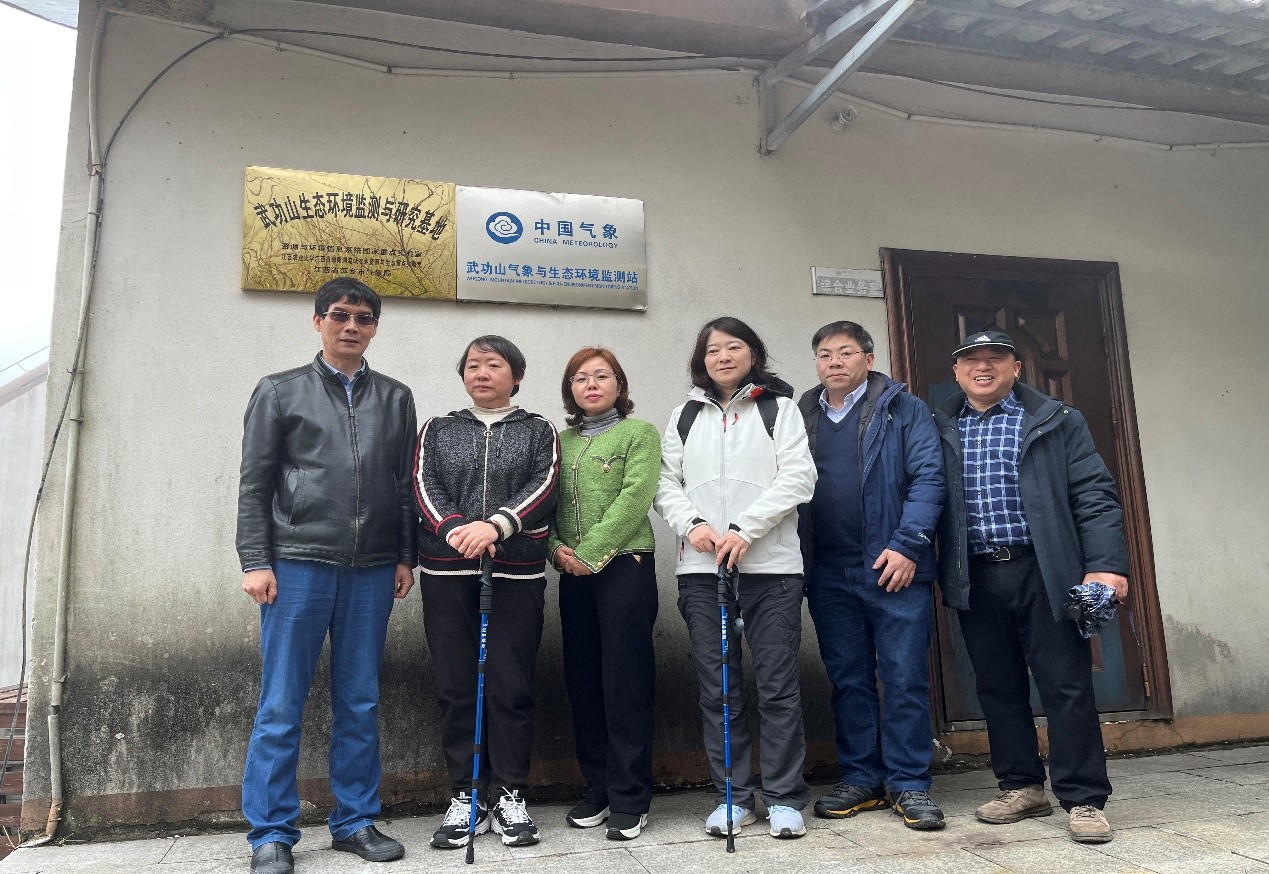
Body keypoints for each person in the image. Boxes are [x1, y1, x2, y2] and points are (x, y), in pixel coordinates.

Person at [237, 277, 417, 874]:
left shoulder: (395, 397)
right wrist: (255, 560)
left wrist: (404, 555)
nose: (351, 326)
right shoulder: (279, 391)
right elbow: (255, 484)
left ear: (374, 329)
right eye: (340, 315)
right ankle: (271, 832)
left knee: (360, 700)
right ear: (318, 322)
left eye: (363, 318)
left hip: (372, 570)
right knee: (281, 702)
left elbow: (402, 485)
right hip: (297, 564)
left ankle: (355, 820)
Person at [934, 330, 1129, 844]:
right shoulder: (940, 425)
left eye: (994, 359)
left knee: (1066, 684)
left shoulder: (1056, 419)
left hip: (1045, 569)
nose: (982, 367)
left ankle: (1084, 798)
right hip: (975, 573)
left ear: (1016, 367)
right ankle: (1021, 785)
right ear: (956, 372)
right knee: (997, 686)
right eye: (971, 360)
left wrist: (1106, 564)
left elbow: (1094, 493)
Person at [654, 316, 817, 840]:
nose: (722, 357)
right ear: (701, 361)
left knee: (777, 687)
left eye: (733, 347)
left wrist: (747, 528)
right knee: (718, 688)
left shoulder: (779, 409)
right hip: (703, 571)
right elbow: (664, 482)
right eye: (712, 350)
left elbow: (800, 477)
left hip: (771, 570)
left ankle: (784, 797)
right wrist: (693, 524)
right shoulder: (684, 415)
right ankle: (733, 796)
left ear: (754, 354)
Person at [796, 321, 946, 830]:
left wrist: (907, 546)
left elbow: (929, 477)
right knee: (848, 679)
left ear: (869, 358)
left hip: (894, 567)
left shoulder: (904, 409)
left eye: (845, 352)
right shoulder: (803, 414)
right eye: (824, 354)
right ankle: (861, 777)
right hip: (828, 570)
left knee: (904, 677)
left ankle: (909, 782)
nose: (834, 362)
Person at [414, 335, 559, 851]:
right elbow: (423, 484)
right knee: (457, 685)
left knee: (509, 684)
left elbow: (544, 486)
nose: (482, 373)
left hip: (515, 574)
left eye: (493, 365)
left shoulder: (538, 429)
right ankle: (466, 795)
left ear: (516, 376)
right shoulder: (438, 428)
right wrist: (456, 528)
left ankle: (510, 794)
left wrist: (496, 525)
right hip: (446, 571)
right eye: (473, 365)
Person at [548, 347, 661, 841]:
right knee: (583, 680)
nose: (591, 385)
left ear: (620, 384)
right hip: (571, 571)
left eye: (601, 376)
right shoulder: (560, 441)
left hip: (624, 568)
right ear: (570, 389)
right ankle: (597, 787)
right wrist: (556, 550)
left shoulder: (640, 434)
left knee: (624, 681)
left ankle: (630, 796)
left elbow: (635, 498)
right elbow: (544, 503)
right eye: (580, 378)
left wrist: (589, 553)